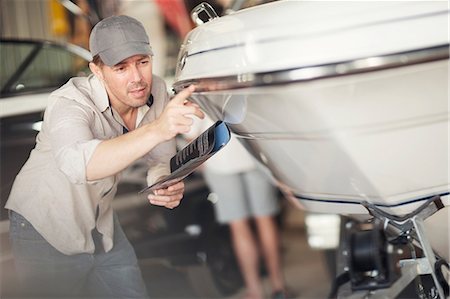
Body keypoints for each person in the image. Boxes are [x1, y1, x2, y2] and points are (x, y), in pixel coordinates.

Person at [5, 15, 203, 298]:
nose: (137, 78)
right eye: (121, 67)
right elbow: (79, 164)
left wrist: (164, 183)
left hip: (102, 224)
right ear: (97, 70)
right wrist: (158, 129)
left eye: (142, 62)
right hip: (44, 227)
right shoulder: (69, 102)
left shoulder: (156, 89)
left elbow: (159, 159)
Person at [187, 118, 289, 299]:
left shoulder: (194, 90)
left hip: (220, 160)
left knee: (238, 225)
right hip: (253, 154)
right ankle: (278, 286)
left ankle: (255, 291)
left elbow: (192, 134)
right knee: (266, 219)